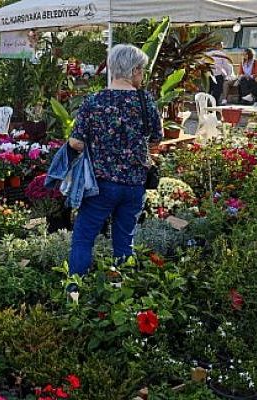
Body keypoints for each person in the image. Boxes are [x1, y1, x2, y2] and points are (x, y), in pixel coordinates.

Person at [66, 44, 163, 277]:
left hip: (101, 185)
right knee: (124, 241)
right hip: (134, 184)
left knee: (83, 238)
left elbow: (76, 142)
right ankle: (122, 294)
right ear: (135, 70)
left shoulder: (94, 101)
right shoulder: (145, 101)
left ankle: (74, 293)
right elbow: (156, 141)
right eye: (142, 70)